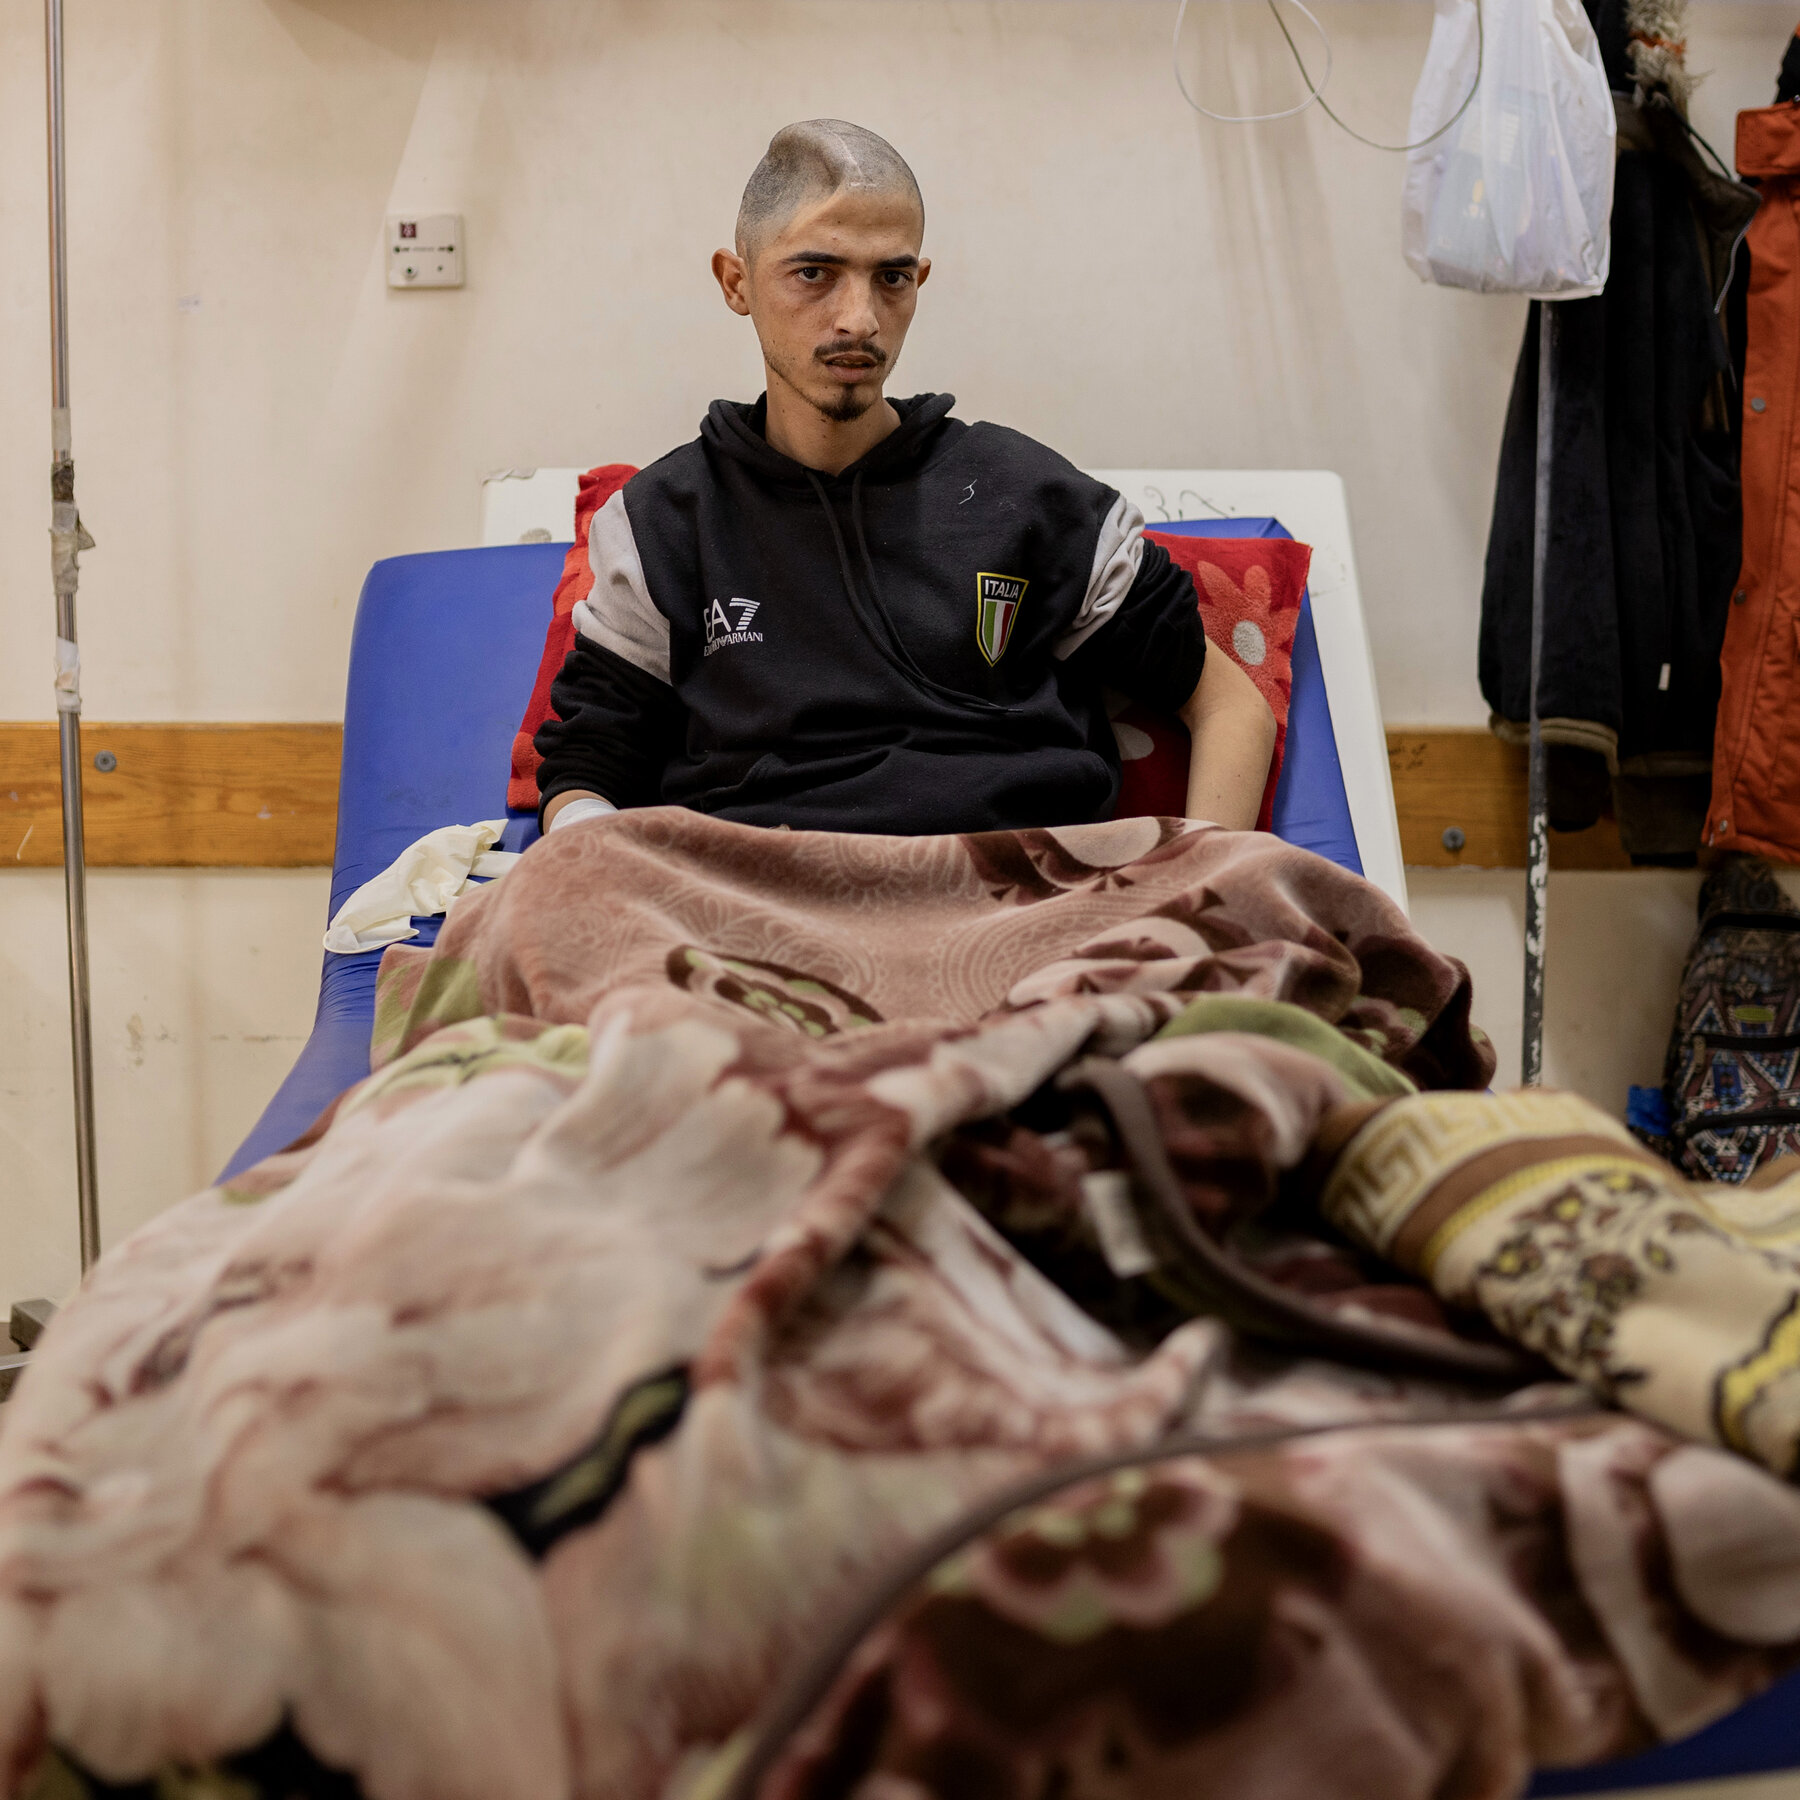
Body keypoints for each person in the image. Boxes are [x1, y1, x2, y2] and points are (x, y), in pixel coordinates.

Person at [537, 119, 1275, 839]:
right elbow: (590, 765)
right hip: (759, 889)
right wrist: (592, 863)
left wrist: (1200, 881)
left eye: (890, 278)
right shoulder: (666, 521)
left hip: (1027, 886)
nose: (859, 319)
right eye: (814, 274)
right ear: (737, 282)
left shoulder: (1024, 495)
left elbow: (1229, 706)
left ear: (919, 281)